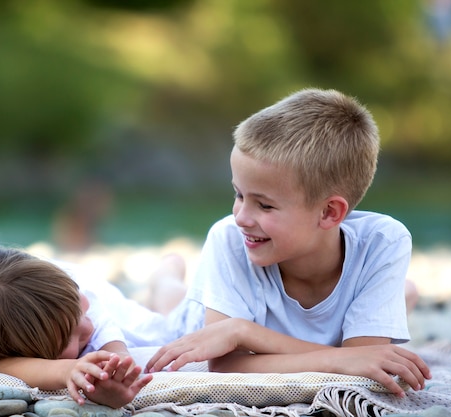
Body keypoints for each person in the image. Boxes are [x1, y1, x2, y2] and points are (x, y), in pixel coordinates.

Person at [145, 88, 432, 398]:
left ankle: (405, 295)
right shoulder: (229, 238)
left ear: (328, 212)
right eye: (239, 194)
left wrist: (243, 332)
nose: (241, 217)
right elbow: (225, 365)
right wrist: (339, 357)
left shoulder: (383, 240)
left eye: (264, 205)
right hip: (201, 321)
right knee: (173, 304)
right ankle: (164, 276)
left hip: (251, 326)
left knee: (405, 292)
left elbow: (363, 360)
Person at [0, 247, 203, 408]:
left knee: (166, 327)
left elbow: (105, 333)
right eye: (71, 337)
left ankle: (164, 278)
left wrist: (115, 367)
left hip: (96, 296)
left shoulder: (77, 301)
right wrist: (66, 371)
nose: (87, 325)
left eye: (78, 313)